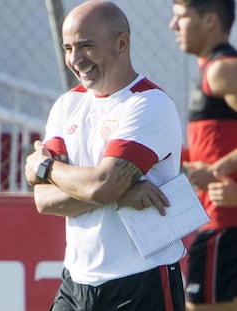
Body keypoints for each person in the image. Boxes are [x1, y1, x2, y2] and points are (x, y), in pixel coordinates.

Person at [25, 1, 185, 310]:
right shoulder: (67, 105)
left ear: (121, 43)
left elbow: (102, 185)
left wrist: (44, 167)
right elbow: (43, 200)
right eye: (68, 47)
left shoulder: (149, 104)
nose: (75, 59)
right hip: (75, 282)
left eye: (86, 46)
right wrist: (116, 194)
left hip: (142, 280)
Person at [170, 0, 237, 310]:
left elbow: (215, 163)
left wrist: (217, 169)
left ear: (210, 20)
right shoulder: (211, 70)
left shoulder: (223, 70)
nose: (173, 26)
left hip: (226, 227)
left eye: (181, 17)